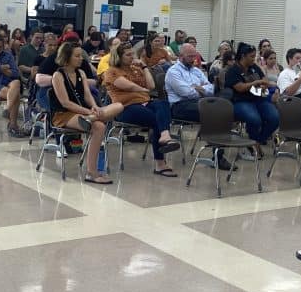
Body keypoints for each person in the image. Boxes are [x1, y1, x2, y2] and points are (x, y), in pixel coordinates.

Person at [103, 42, 181, 176]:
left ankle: (164, 135)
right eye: (128, 55)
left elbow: (151, 85)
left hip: (144, 102)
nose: (132, 57)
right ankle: (160, 162)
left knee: (162, 103)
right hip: (125, 107)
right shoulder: (112, 71)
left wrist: (144, 66)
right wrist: (142, 89)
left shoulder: (136, 68)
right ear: (119, 57)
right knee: (158, 121)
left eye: (132, 54)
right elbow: (128, 86)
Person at [50, 42, 122, 185]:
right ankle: (92, 172)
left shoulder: (81, 73)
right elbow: (65, 103)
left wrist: (95, 107)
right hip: (64, 115)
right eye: (77, 56)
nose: (81, 58)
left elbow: (87, 96)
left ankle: (91, 118)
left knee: (118, 106)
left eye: (81, 55)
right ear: (67, 57)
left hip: (84, 113)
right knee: (100, 127)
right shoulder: (57, 76)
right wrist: (88, 111)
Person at [165, 44, 231, 171]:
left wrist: (199, 88)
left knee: (221, 109)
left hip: (200, 101)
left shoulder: (196, 70)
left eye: (194, 56)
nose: (193, 59)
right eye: (189, 56)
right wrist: (200, 89)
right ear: (180, 56)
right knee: (214, 113)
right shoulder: (173, 72)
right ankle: (218, 156)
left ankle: (218, 154)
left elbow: (211, 89)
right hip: (179, 107)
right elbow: (186, 93)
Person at [224, 43, 278, 158]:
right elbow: (240, 88)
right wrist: (255, 83)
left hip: (258, 99)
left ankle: (255, 142)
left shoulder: (254, 67)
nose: (254, 59)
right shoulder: (233, 70)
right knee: (254, 119)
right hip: (240, 101)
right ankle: (252, 144)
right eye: (252, 56)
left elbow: (264, 78)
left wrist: (264, 84)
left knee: (275, 118)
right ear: (243, 56)